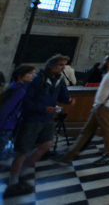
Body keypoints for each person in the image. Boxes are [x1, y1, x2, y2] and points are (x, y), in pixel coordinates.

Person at [5, 54, 74, 198]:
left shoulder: (59, 79)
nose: (63, 68)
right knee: (22, 150)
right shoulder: (37, 79)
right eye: (61, 65)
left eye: (64, 65)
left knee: (47, 144)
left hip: (47, 118)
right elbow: (27, 101)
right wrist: (42, 108)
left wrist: (68, 100)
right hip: (32, 118)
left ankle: (22, 172)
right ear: (52, 65)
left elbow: (62, 95)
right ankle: (13, 182)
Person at [58, 53, 109, 165]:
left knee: (106, 130)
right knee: (87, 131)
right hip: (99, 106)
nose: (103, 61)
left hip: (104, 106)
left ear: (108, 61)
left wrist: (106, 100)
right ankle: (70, 154)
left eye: (105, 59)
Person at [0, 65, 36, 159]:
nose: (33, 75)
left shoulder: (12, 86)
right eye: (30, 73)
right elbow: (6, 109)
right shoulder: (19, 90)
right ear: (20, 76)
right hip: (5, 126)